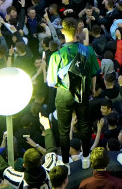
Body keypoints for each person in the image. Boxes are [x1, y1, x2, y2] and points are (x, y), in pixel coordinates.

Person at [46, 17, 102, 160]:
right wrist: (93, 89)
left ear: (63, 31)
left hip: (64, 94)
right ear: (78, 30)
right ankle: (85, 157)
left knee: (64, 130)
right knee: (84, 125)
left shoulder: (56, 55)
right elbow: (95, 72)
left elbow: (51, 82)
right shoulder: (88, 50)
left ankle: (65, 161)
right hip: (82, 92)